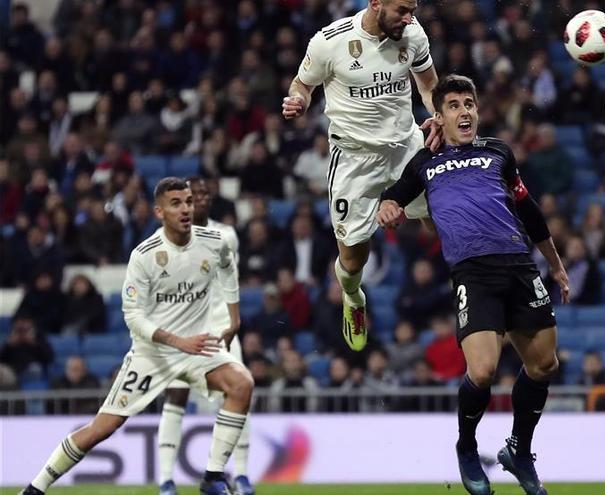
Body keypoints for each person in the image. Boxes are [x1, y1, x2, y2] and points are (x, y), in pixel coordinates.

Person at [377, 74, 569, 495]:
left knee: (544, 365)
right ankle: (467, 446)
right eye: (453, 105)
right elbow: (393, 195)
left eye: (469, 104)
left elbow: (530, 210)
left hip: (519, 265)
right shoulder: (425, 162)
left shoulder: (498, 151)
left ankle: (519, 450)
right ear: (439, 117)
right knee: (482, 370)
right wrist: (388, 205)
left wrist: (554, 264)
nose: (464, 111)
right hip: (473, 273)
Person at [17, 178, 254, 495]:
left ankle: (213, 477)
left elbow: (228, 269)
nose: (185, 208)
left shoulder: (214, 240)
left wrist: (234, 319)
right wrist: (177, 341)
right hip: (152, 355)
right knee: (102, 429)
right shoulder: (145, 255)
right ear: (159, 212)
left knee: (242, 384)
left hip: (196, 349)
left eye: (187, 201)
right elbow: (133, 317)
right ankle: (35, 488)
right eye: (175, 203)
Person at [282, 0, 440, 352]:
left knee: (443, 216)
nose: (409, 18)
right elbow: (302, 84)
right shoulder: (329, 41)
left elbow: (429, 86)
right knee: (354, 259)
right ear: (375, 4)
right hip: (355, 159)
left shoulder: (413, 34)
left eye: (413, 9)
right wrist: (298, 102)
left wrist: (439, 114)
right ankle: (353, 298)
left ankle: (469, 284)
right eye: (402, 9)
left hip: (406, 147)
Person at [156, 176, 256, 495]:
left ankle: (239, 475)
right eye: (191, 195)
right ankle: (166, 481)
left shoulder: (225, 235)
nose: (197, 199)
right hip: (184, 331)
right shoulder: (163, 242)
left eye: (202, 195)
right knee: (176, 396)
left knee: (239, 394)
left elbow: (229, 281)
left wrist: (232, 323)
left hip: (221, 329)